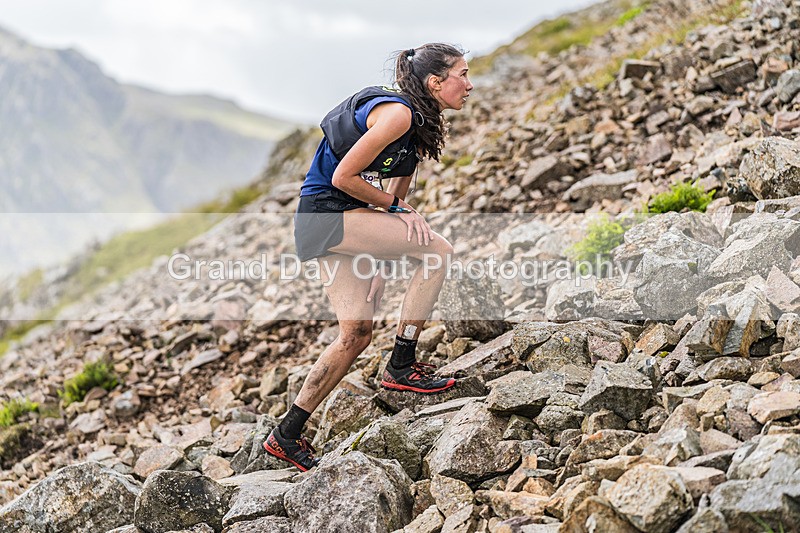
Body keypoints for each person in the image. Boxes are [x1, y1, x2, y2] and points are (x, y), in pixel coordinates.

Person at [263, 43, 474, 472]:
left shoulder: (419, 127)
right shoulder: (398, 114)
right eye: (463, 75)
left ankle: (285, 435)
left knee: (356, 333)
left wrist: (376, 260)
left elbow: (389, 201)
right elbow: (345, 178)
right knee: (437, 251)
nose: (470, 85)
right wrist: (399, 211)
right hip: (325, 214)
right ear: (436, 82)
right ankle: (402, 364)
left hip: (335, 223)